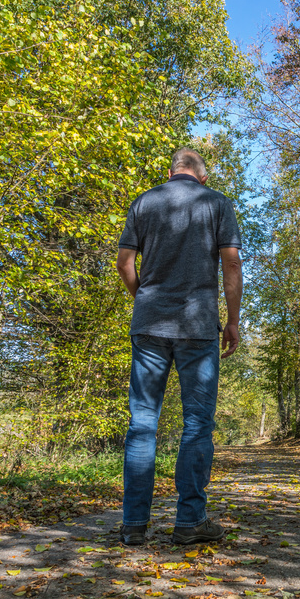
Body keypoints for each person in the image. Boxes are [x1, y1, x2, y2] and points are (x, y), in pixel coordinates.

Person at [115, 147, 243, 545]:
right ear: (202, 177)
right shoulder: (217, 203)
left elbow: (124, 263)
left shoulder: (144, 202)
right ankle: (189, 522)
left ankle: (134, 525)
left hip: (149, 325)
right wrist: (233, 320)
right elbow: (232, 263)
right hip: (198, 326)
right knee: (197, 424)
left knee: (142, 423)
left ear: (170, 173)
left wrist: (146, 301)